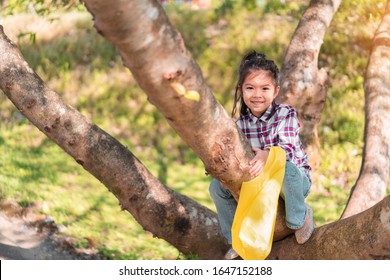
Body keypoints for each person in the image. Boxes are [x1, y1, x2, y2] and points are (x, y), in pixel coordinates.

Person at [209, 50, 315, 260]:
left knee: (286, 168)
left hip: (292, 183)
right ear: (241, 90)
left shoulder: (286, 114)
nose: (257, 94)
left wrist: (268, 154)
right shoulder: (239, 125)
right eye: (250, 88)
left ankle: (300, 217)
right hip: (260, 186)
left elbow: (289, 149)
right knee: (215, 186)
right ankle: (237, 240)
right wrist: (227, 175)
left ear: (275, 91)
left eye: (264, 88)